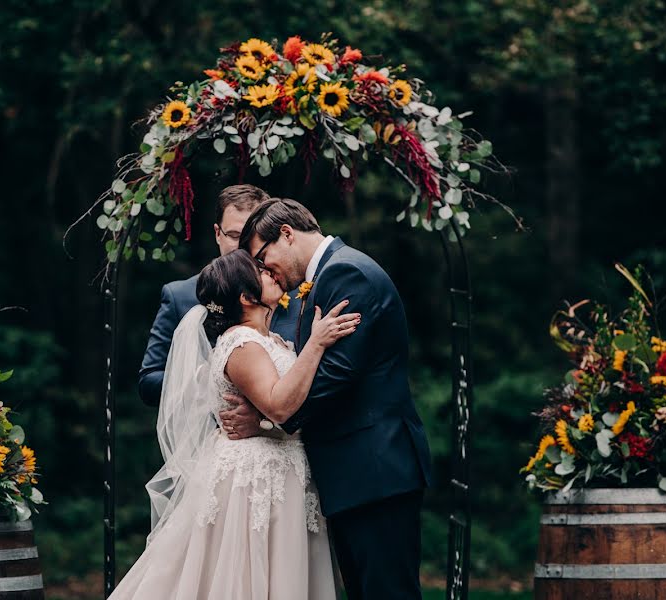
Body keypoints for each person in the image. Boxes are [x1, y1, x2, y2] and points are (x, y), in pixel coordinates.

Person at [110, 249, 360, 600]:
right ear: (245, 297)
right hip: (255, 479)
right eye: (260, 272)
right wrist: (317, 343)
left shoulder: (269, 340)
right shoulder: (241, 343)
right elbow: (280, 406)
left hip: (282, 469)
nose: (272, 273)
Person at [238, 198, 434, 600]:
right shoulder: (326, 277)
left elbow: (338, 373)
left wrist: (269, 415)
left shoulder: (347, 272)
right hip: (354, 475)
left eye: (263, 256)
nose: (264, 270)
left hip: (374, 471)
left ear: (287, 234)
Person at [138, 184, 301, 438]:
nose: (243, 247)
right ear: (217, 234)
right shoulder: (180, 296)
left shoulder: (287, 291)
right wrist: (217, 380)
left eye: (252, 236)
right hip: (212, 443)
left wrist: (262, 415)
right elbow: (149, 382)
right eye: (235, 235)